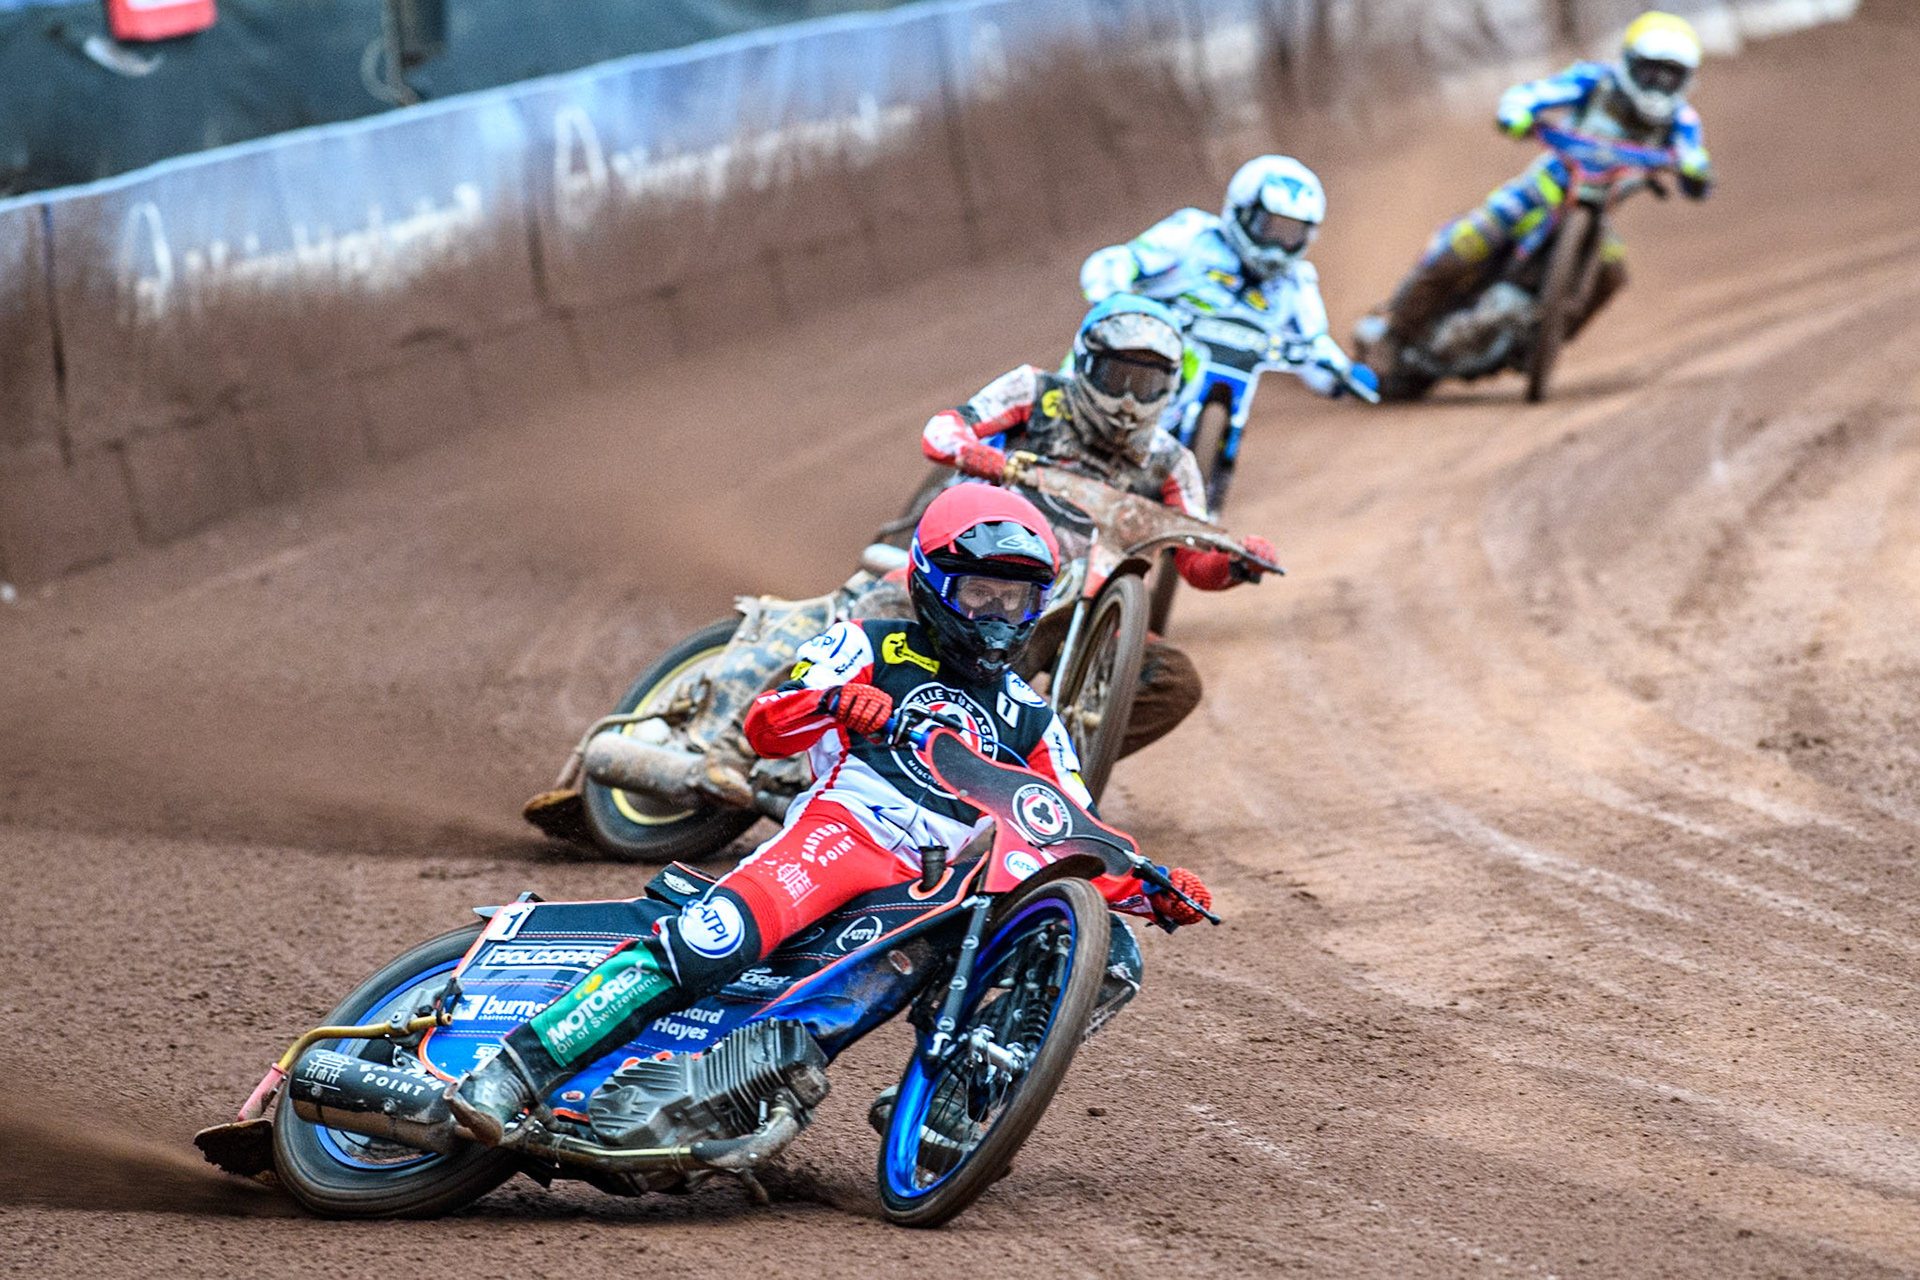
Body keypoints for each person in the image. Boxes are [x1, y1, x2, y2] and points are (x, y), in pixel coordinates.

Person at [448, 485, 1212, 1145]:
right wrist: (835, 700)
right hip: (842, 837)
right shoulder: (868, 643)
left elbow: (1066, 830)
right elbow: (764, 724)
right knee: (711, 942)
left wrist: (1149, 885)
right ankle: (515, 1071)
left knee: (1106, 954)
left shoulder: (1033, 717)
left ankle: (952, 1104)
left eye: (1015, 599)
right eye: (979, 593)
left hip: (933, 889)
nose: (997, 615)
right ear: (934, 585)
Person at [919, 294, 1276, 758]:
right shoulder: (1037, 392)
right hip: (984, 576)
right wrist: (977, 454)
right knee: (886, 607)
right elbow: (942, 429)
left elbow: (1194, 560)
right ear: (1087, 365)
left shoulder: (1173, 461)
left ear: (1169, 386)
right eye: (1118, 377)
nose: (1129, 400)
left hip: (1084, 608)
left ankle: (1048, 767)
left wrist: (1238, 564)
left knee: (1173, 682)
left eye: (1146, 384)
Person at [1357, 11, 1714, 387]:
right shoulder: (1594, 82)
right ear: (1628, 62)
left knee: (1611, 274)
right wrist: (1518, 111)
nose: (1659, 83)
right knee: (1465, 242)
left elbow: (1695, 160)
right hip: (1537, 193)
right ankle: (1393, 335)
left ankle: (1542, 343)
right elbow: (1535, 93)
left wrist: (1695, 173)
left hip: (1598, 212)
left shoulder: (1682, 120)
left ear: (1686, 80)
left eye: (1670, 75)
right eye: (1651, 71)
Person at [1080, 154, 1375, 402]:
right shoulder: (1193, 234)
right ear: (1241, 211)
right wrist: (1114, 295)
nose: (1276, 247)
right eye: (1269, 228)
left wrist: (1344, 374)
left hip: (1214, 389)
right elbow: (1120, 260)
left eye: (1289, 235)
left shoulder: (1294, 283)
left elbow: (1313, 344)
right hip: (1128, 358)